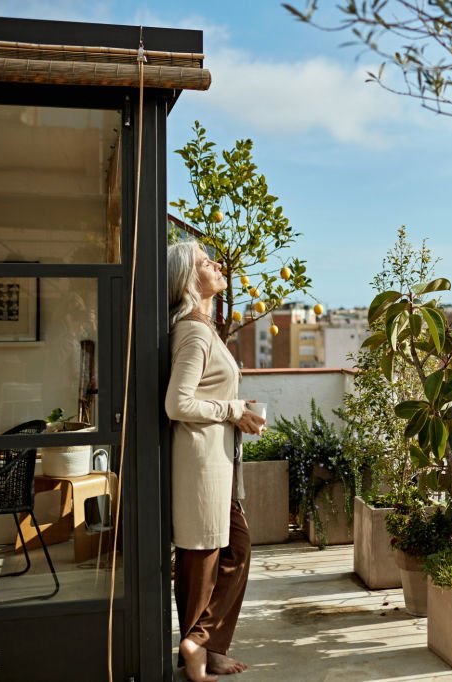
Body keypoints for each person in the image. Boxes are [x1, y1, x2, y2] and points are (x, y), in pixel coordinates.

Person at [165, 241, 265, 682]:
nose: (217, 265)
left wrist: (238, 410)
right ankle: (196, 648)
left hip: (219, 460)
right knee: (203, 557)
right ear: (190, 279)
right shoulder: (193, 331)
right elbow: (177, 402)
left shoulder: (204, 327)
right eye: (207, 263)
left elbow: (207, 392)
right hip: (201, 462)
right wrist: (230, 411)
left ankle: (206, 643)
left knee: (235, 549)